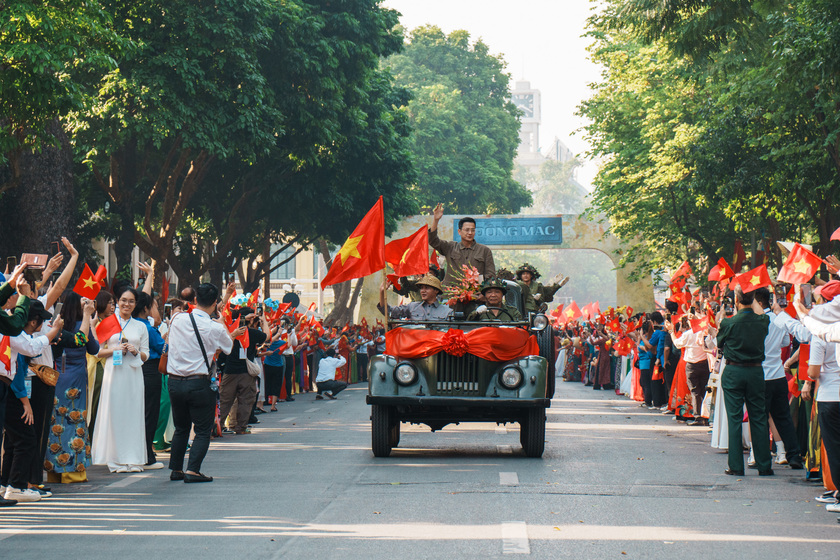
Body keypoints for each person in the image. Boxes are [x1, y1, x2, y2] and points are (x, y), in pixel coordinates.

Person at [166, 283, 235, 483]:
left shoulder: (177, 319)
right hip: (199, 383)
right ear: (215, 304)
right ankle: (193, 470)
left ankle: (176, 469)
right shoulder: (214, 327)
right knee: (203, 429)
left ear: (195, 300)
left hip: (174, 382)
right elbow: (228, 348)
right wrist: (221, 322)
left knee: (181, 427)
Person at [1, 297, 64, 503]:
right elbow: (27, 354)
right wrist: (25, 402)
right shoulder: (12, 331)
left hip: (11, 390)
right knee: (25, 440)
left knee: (15, 440)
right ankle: (17, 485)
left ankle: (8, 484)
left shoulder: (12, 329)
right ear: (33, 322)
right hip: (12, 391)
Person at [91, 287, 150, 473]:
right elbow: (97, 351)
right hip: (113, 373)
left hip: (133, 374)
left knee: (133, 414)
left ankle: (133, 458)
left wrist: (135, 351)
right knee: (115, 413)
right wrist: (116, 350)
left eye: (131, 301)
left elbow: (146, 355)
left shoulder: (141, 326)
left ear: (135, 304)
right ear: (118, 301)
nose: (127, 304)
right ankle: (115, 458)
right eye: (123, 300)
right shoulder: (108, 323)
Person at [716, 284, 773, 476]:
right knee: (758, 417)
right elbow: (762, 314)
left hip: (734, 371)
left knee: (734, 418)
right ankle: (764, 465)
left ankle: (736, 466)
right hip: (756, 371)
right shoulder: (762, 321)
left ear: (736, 300)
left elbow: (719, 343)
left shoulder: (728, 323)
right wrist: (753, 299)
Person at [752, 286, 809, 469]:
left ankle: (760, 457)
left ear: (759, 302)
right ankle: (794, 456)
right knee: (783, 417)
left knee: (760, 418)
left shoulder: (756, 321)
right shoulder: (778, 319)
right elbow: (786, 342)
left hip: (762, 375)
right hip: (777, 374)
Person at [45, 293, 99, 484]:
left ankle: (54, 470)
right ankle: (73, 471)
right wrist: (90, 322)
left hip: (57, 377)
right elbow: (94, 349)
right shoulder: (81, 328)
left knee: (56, 422)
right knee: (75, 422)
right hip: (76, 380)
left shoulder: (55, 327)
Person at [217, 307, 266, 435]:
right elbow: (266, 336)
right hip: (246, 373)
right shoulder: (253, 333)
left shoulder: (230, 330)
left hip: (229, 371)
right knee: (245, 400)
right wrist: (263, 319)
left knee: (225, 400)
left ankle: (217, 427)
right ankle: (241, 427)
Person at [132, 292, 166, 469]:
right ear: (145, 308)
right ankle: (147, 455)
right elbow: (162, 348)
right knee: (149, 413)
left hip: (132, 370)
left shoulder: (129, 325)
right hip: (150, 370)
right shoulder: (147, 328)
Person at [428, 203, 495, 286]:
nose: (470, 233)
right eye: (467, 230)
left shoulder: (485, 250)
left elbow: (490, 275)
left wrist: (483, 292)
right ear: (459, 231)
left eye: (472, 230)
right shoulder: (450, 247)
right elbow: (433, 241)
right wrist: (436, 220)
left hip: (475, 295)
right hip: (451, 294)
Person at [669, 315, 712, 425]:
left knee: (695, 391)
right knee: (703, 390)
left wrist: (672, 333)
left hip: (692, 365)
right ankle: (705, 416)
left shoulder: (688, 334)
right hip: (704, 364)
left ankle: (698, 416)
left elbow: (678, 344)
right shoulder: (704, 332)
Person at [378, 274, 453, 321]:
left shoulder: (447, 312)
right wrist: (382, 292)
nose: (423, 291)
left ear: (436, 290)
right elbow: (389, 312)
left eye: (427, 288)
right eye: (421, 288)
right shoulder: (412, 307)